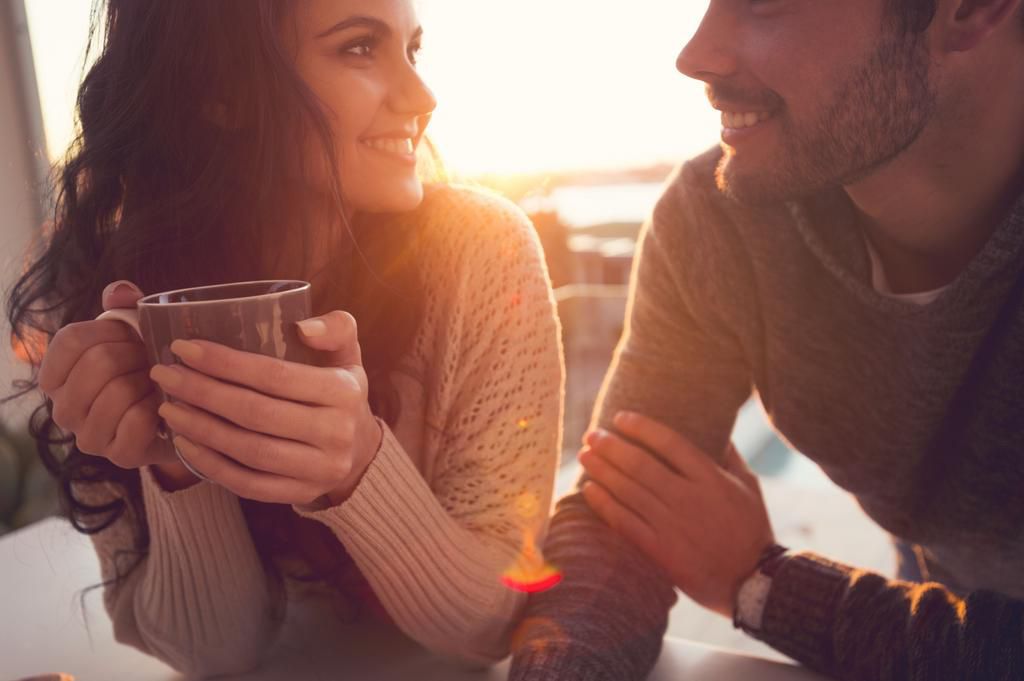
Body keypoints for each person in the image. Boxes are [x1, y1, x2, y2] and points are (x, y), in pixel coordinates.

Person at [5, 0, 564, 677]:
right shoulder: (115, 298)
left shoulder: (484, 255)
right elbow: (216, 653)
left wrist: (360, 464)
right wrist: (178, 456)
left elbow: (491, 626)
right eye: (360, 48)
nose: (422, 96)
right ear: (222, 89)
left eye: (412, 49)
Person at [508, 0, 1024, 679]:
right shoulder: (719, 222)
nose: (694, 55)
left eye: (761, 4)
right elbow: (623, 514)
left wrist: (764, 586)